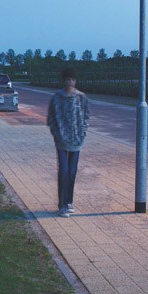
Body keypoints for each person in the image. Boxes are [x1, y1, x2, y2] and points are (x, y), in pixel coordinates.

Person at [46, 69, 90, 217]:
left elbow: (86, 116)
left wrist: (83, 132)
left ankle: (69, 202)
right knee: (64, 171)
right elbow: (51, 118)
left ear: (75, 81)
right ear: (63, 81)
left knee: (72, 172)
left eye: (72, 79)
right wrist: (56, 133)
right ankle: (62, 204)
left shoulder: (81, 97)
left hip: (77, 140)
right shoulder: (57, 98)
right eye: (67, 79)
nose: (69, 82)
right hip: (61, 141)